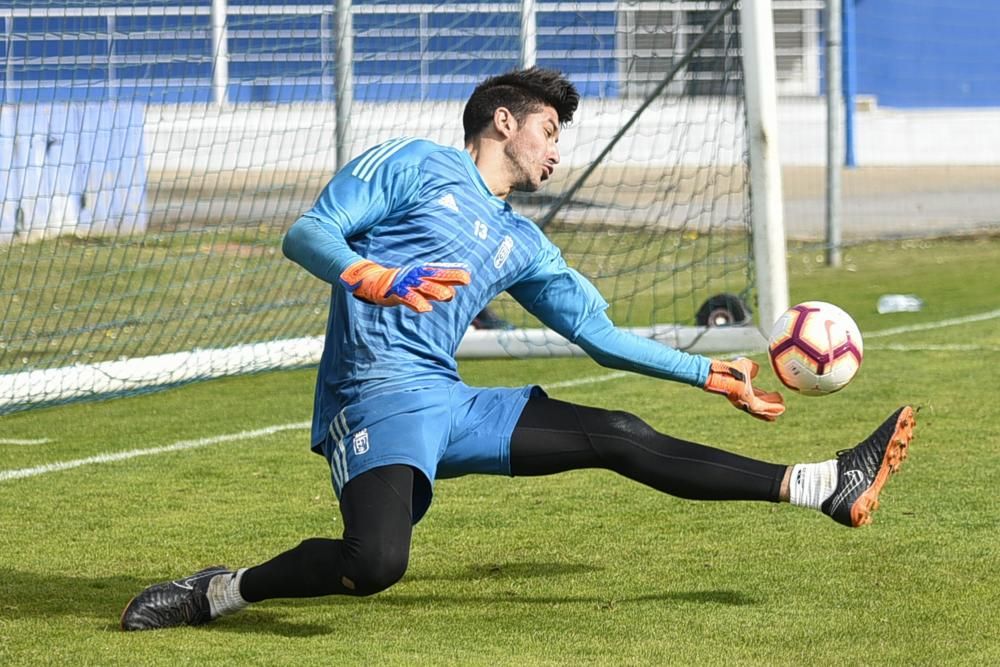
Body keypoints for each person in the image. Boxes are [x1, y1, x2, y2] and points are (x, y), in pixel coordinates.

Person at [120, 67, 915, 631]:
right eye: (549, 128)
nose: (556, 149)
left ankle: (821, 483)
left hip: (452, 401)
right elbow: (309, 231)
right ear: (504, 120)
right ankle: (219, 591)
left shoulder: (520, 240)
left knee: (618, 433)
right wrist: (373, 276)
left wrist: (706, 372)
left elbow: (597, 334)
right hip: (375, 398)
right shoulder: (415, 163)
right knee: (375, 564)